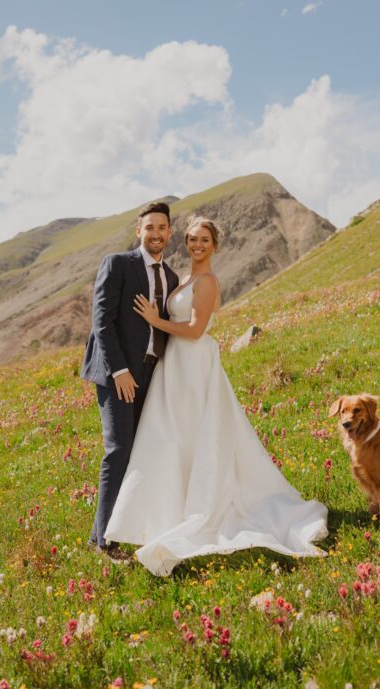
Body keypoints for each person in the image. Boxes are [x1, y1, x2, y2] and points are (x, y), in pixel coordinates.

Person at [104, 217, 328, 576]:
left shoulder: (206, 282)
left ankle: (196, 506)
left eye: (204, 240)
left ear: (215, 245)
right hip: (174, 367)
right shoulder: (183, 279)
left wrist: (154, 320)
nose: (197, 245)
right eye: (192, 238)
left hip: (192, 365)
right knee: (173, 439)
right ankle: (163, 511)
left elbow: (194, 330)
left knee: (192, 436)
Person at [81, 201, 180, 562]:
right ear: (138, 231)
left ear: (170, 234)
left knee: (137, 453)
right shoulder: (118, 264)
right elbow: (101, 322)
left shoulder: (170, 277)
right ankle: (107, 543)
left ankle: (99, 536)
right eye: (149, 227)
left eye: (162, 228)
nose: (156, 234)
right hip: (115, 373)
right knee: (118, 450)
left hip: (149, 373)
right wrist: (119, 371)